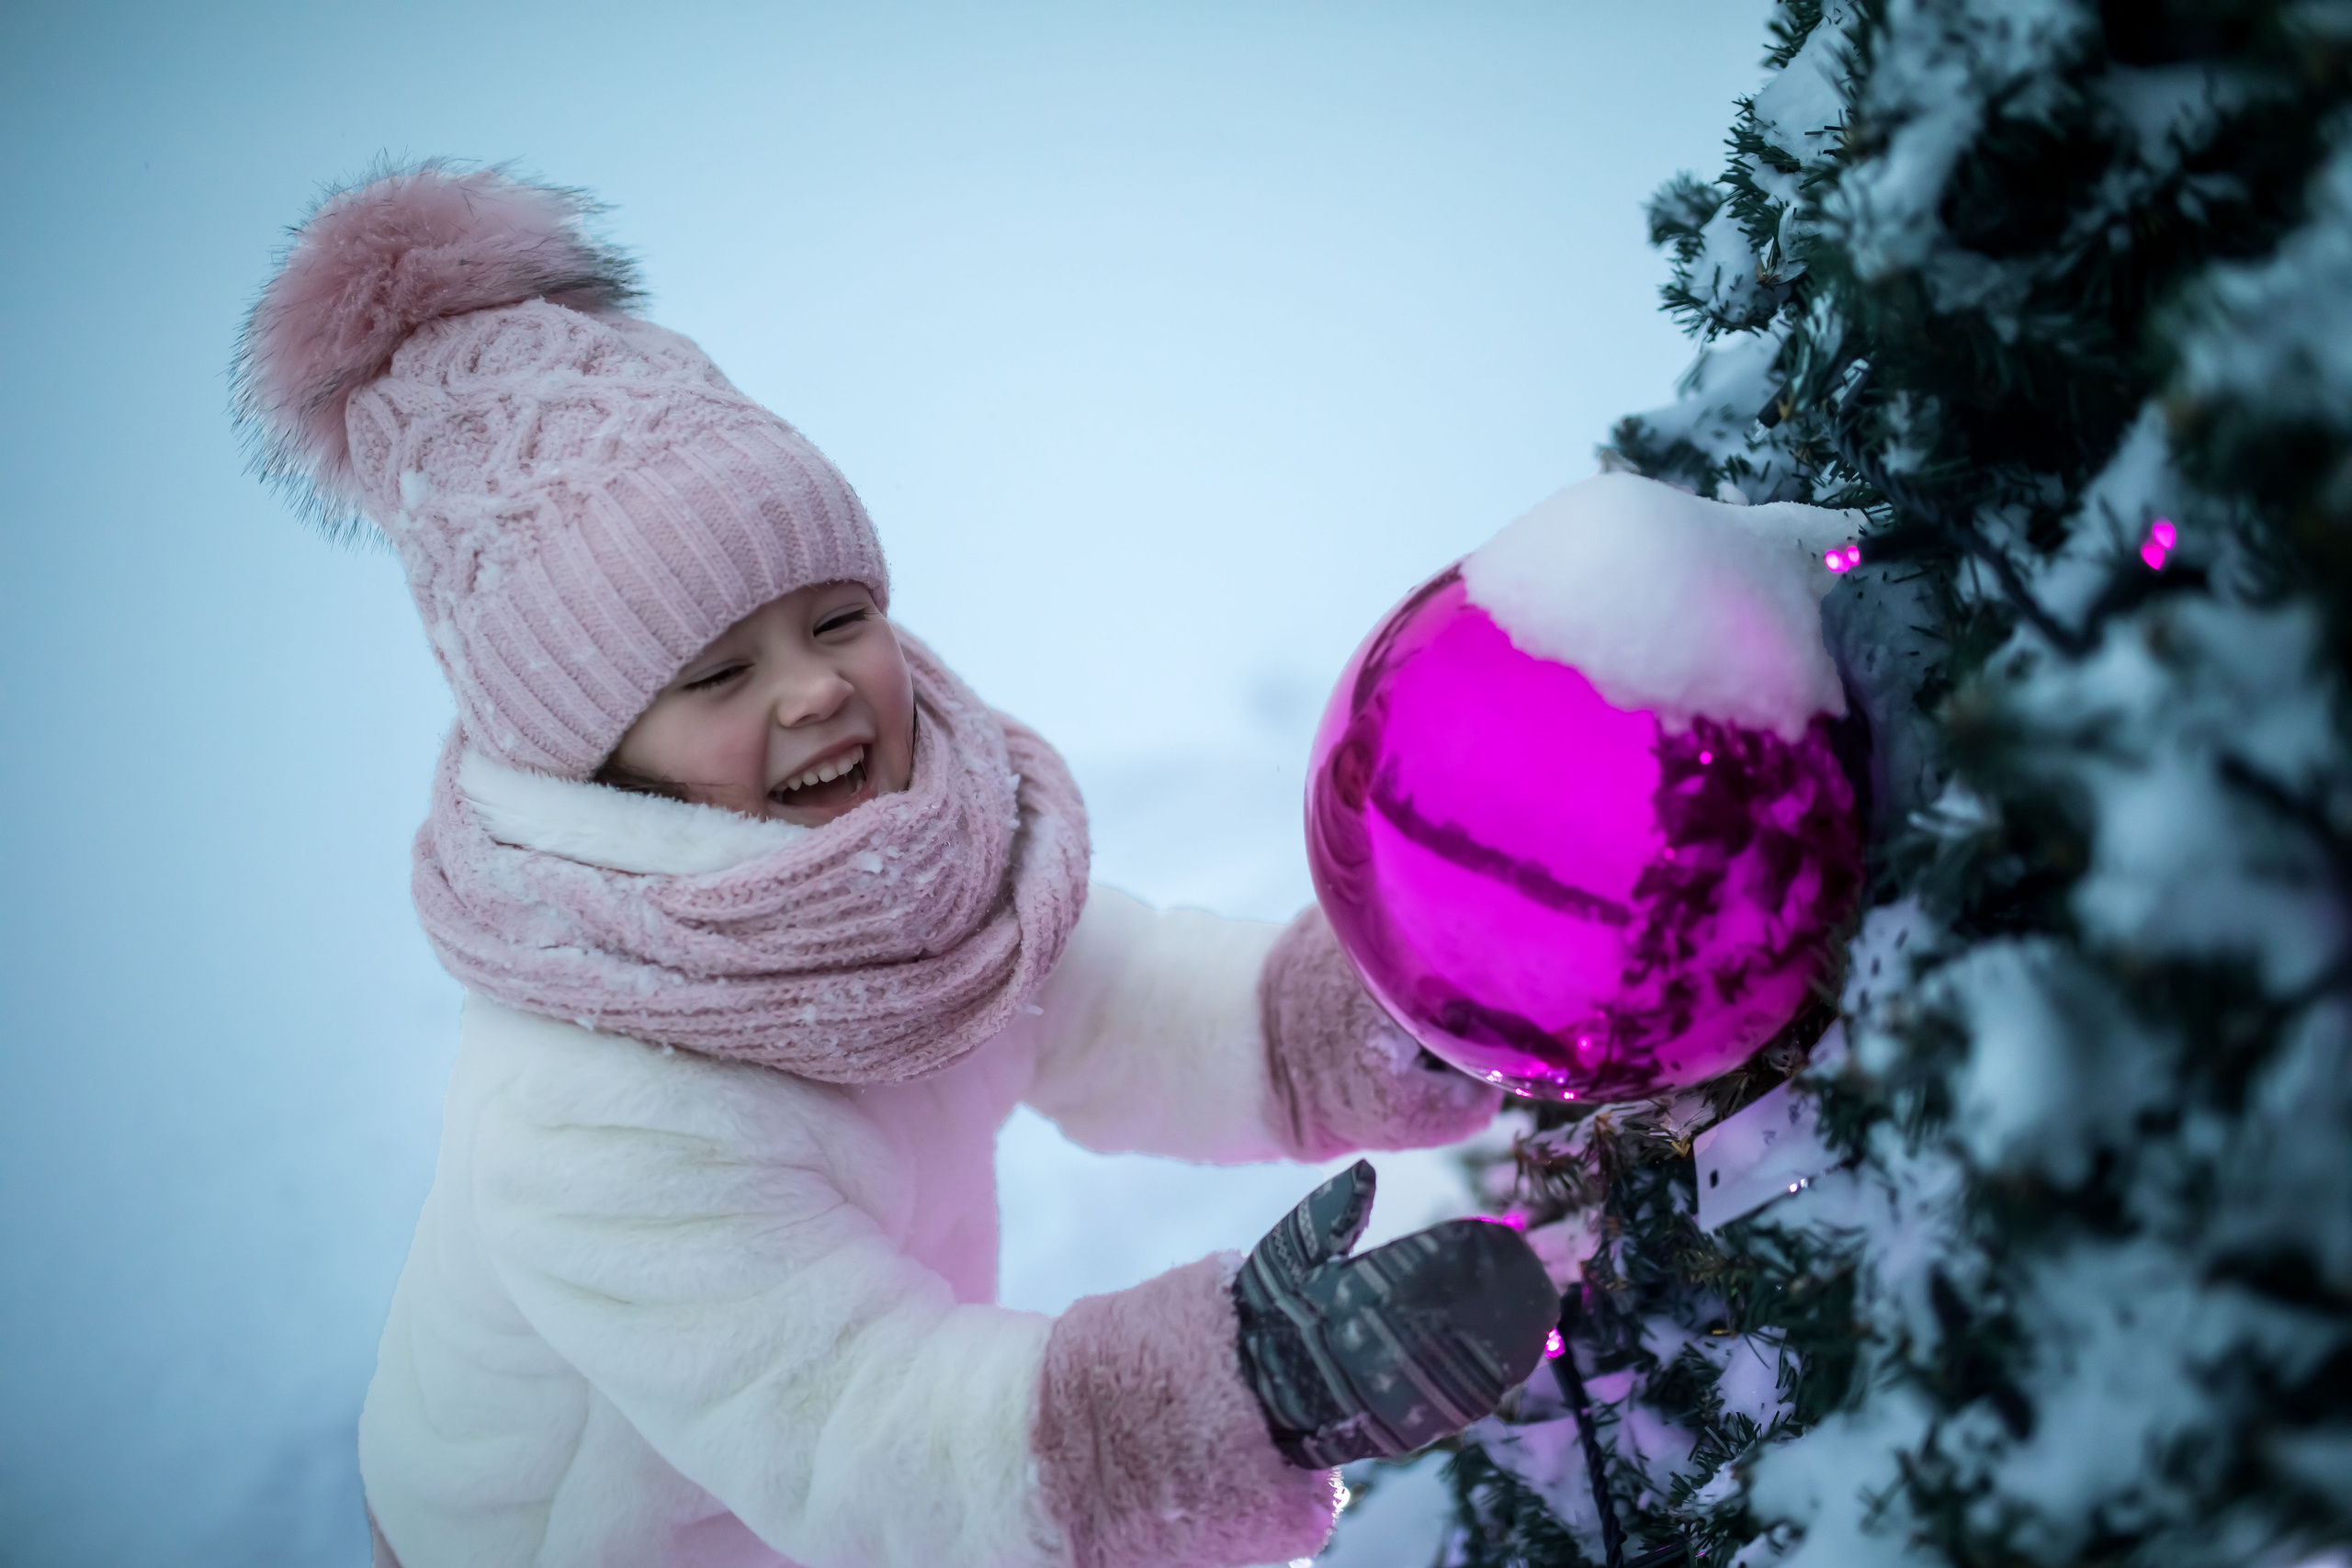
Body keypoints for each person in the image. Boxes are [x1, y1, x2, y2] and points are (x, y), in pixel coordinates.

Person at [235, 164, 1555, 1568]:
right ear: (593, 756)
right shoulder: (600, 1111)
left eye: (836, 618)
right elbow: (858, 1425)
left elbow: (1121, 1001)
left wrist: (1395, 1016)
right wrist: (1232, 1404)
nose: (814, 690)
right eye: (720, 674)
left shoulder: (916, 866)